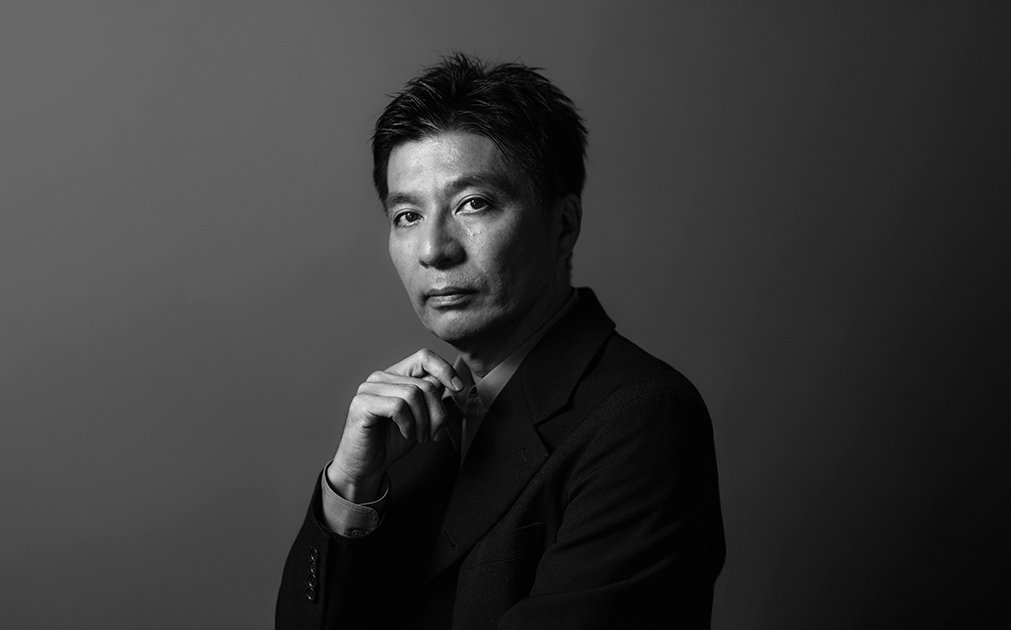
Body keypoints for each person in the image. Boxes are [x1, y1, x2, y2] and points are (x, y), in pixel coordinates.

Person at [276, 53, 725, 629]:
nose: (434, 250)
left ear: (563, 224)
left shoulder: (642, 418)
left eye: (473, 204)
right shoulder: (411, 430)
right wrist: (350, 488)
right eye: (407, 215)